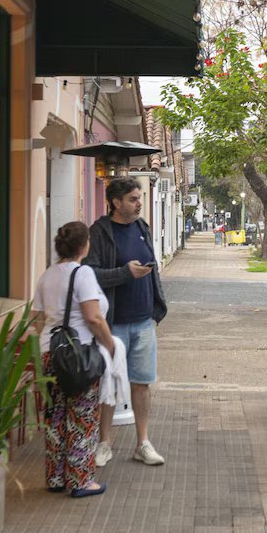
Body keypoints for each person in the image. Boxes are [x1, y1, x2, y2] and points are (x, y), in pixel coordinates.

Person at [86, 177, 169, 467]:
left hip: (143, 320)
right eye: (133, 199)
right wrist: (124, 273)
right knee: (109, 383)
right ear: (116, 201)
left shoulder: (142, 227)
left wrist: (157, 303)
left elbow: (152, 265)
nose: (139, 203)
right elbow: (90, 274)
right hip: (113, 322)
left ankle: (143, 443)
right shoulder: (99, 232)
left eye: (139, 198)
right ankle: (104, 443)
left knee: (142, 384)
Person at [31, 221, 117, 497]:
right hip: (78, 354)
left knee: (56, 414)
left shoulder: (47, 275)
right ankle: (81, 479)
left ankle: (56, 476)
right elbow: (92, 316)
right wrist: (109, 344)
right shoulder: (83, 274)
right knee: (82, 415)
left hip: (49, 351)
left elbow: (37, 319)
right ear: (84, 246)